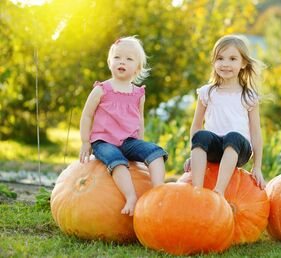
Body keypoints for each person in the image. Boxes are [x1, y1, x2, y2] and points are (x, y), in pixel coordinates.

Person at [79, 36, 167, 216]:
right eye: (117, 57)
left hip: (129, 141)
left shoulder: (138, 94)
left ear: (137, 68)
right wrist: (85, 142)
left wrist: (140, 145)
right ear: (110, 62)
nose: (122, 62)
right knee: (116, 161)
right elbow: (87, 115)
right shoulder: (102, 89)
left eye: (129, 59)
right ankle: (131, 197)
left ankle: (159, 192)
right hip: (103, 142)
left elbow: (139, 120)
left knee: (156, 153)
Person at [184, 35, 266, 195]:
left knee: (233, 137)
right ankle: (197, 191)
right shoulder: (207, 92)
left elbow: (256, 133)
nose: (225, 64)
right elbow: (196, 126)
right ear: (214, 62)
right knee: (201, 136)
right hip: (213, 148)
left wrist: (257, 166)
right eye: (220, 58)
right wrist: (193, 155)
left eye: (232, 59)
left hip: (239, 149)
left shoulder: (248, 96)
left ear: (243, 63)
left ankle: (218, 192)